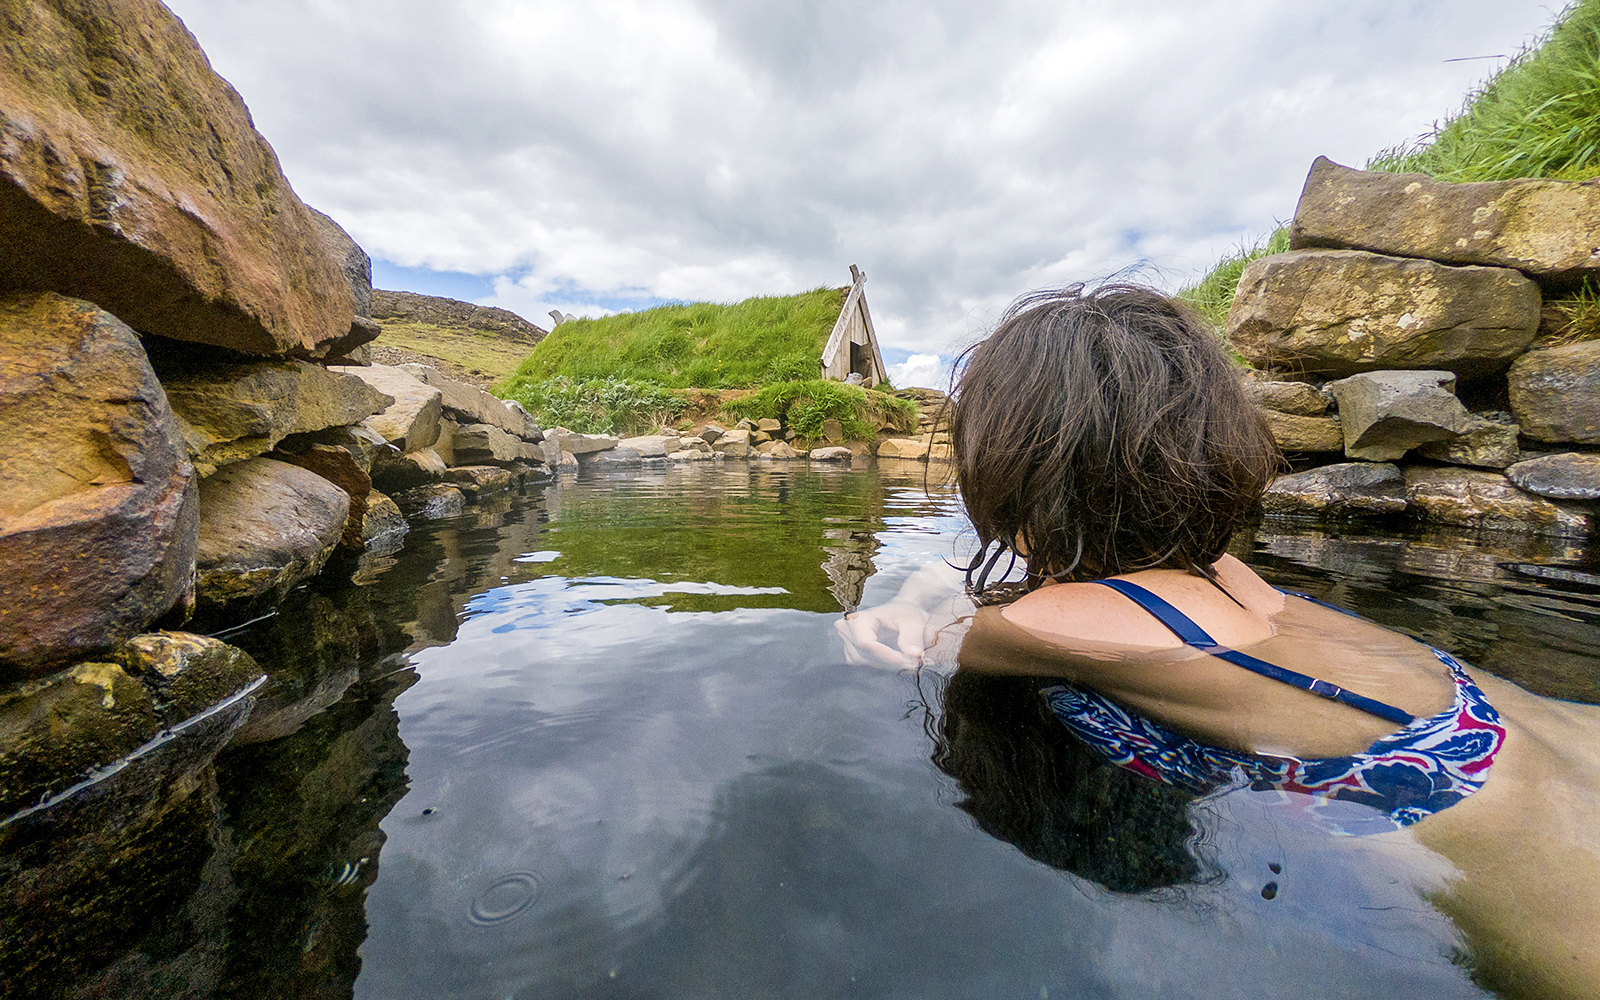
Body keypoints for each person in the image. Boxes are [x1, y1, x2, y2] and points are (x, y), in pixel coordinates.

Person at [838, 284, 1600, 1000]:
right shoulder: (1233, 574)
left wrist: (886, 606)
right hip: (1518, 739)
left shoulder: (1051, 624)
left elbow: (945, 629)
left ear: (1012, 468)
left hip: (1510, 869)